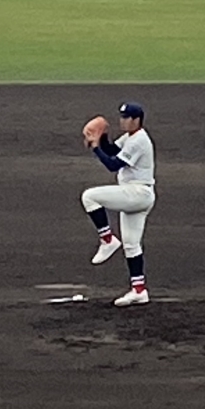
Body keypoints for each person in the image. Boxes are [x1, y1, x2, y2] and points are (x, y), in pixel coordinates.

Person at [81, 102, 156, 307]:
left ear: (136, 120)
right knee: (131, 245)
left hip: (137, 193)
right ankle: (139, 291)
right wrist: (102, 137)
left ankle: (107, 239)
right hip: (138, 196)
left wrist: (95, 147)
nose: (122, 121)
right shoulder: (130, 137)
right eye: (122, 117)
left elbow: (113, 165)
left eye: (126, 118)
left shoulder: (139, 140)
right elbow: (114, 150)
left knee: (90, 197)